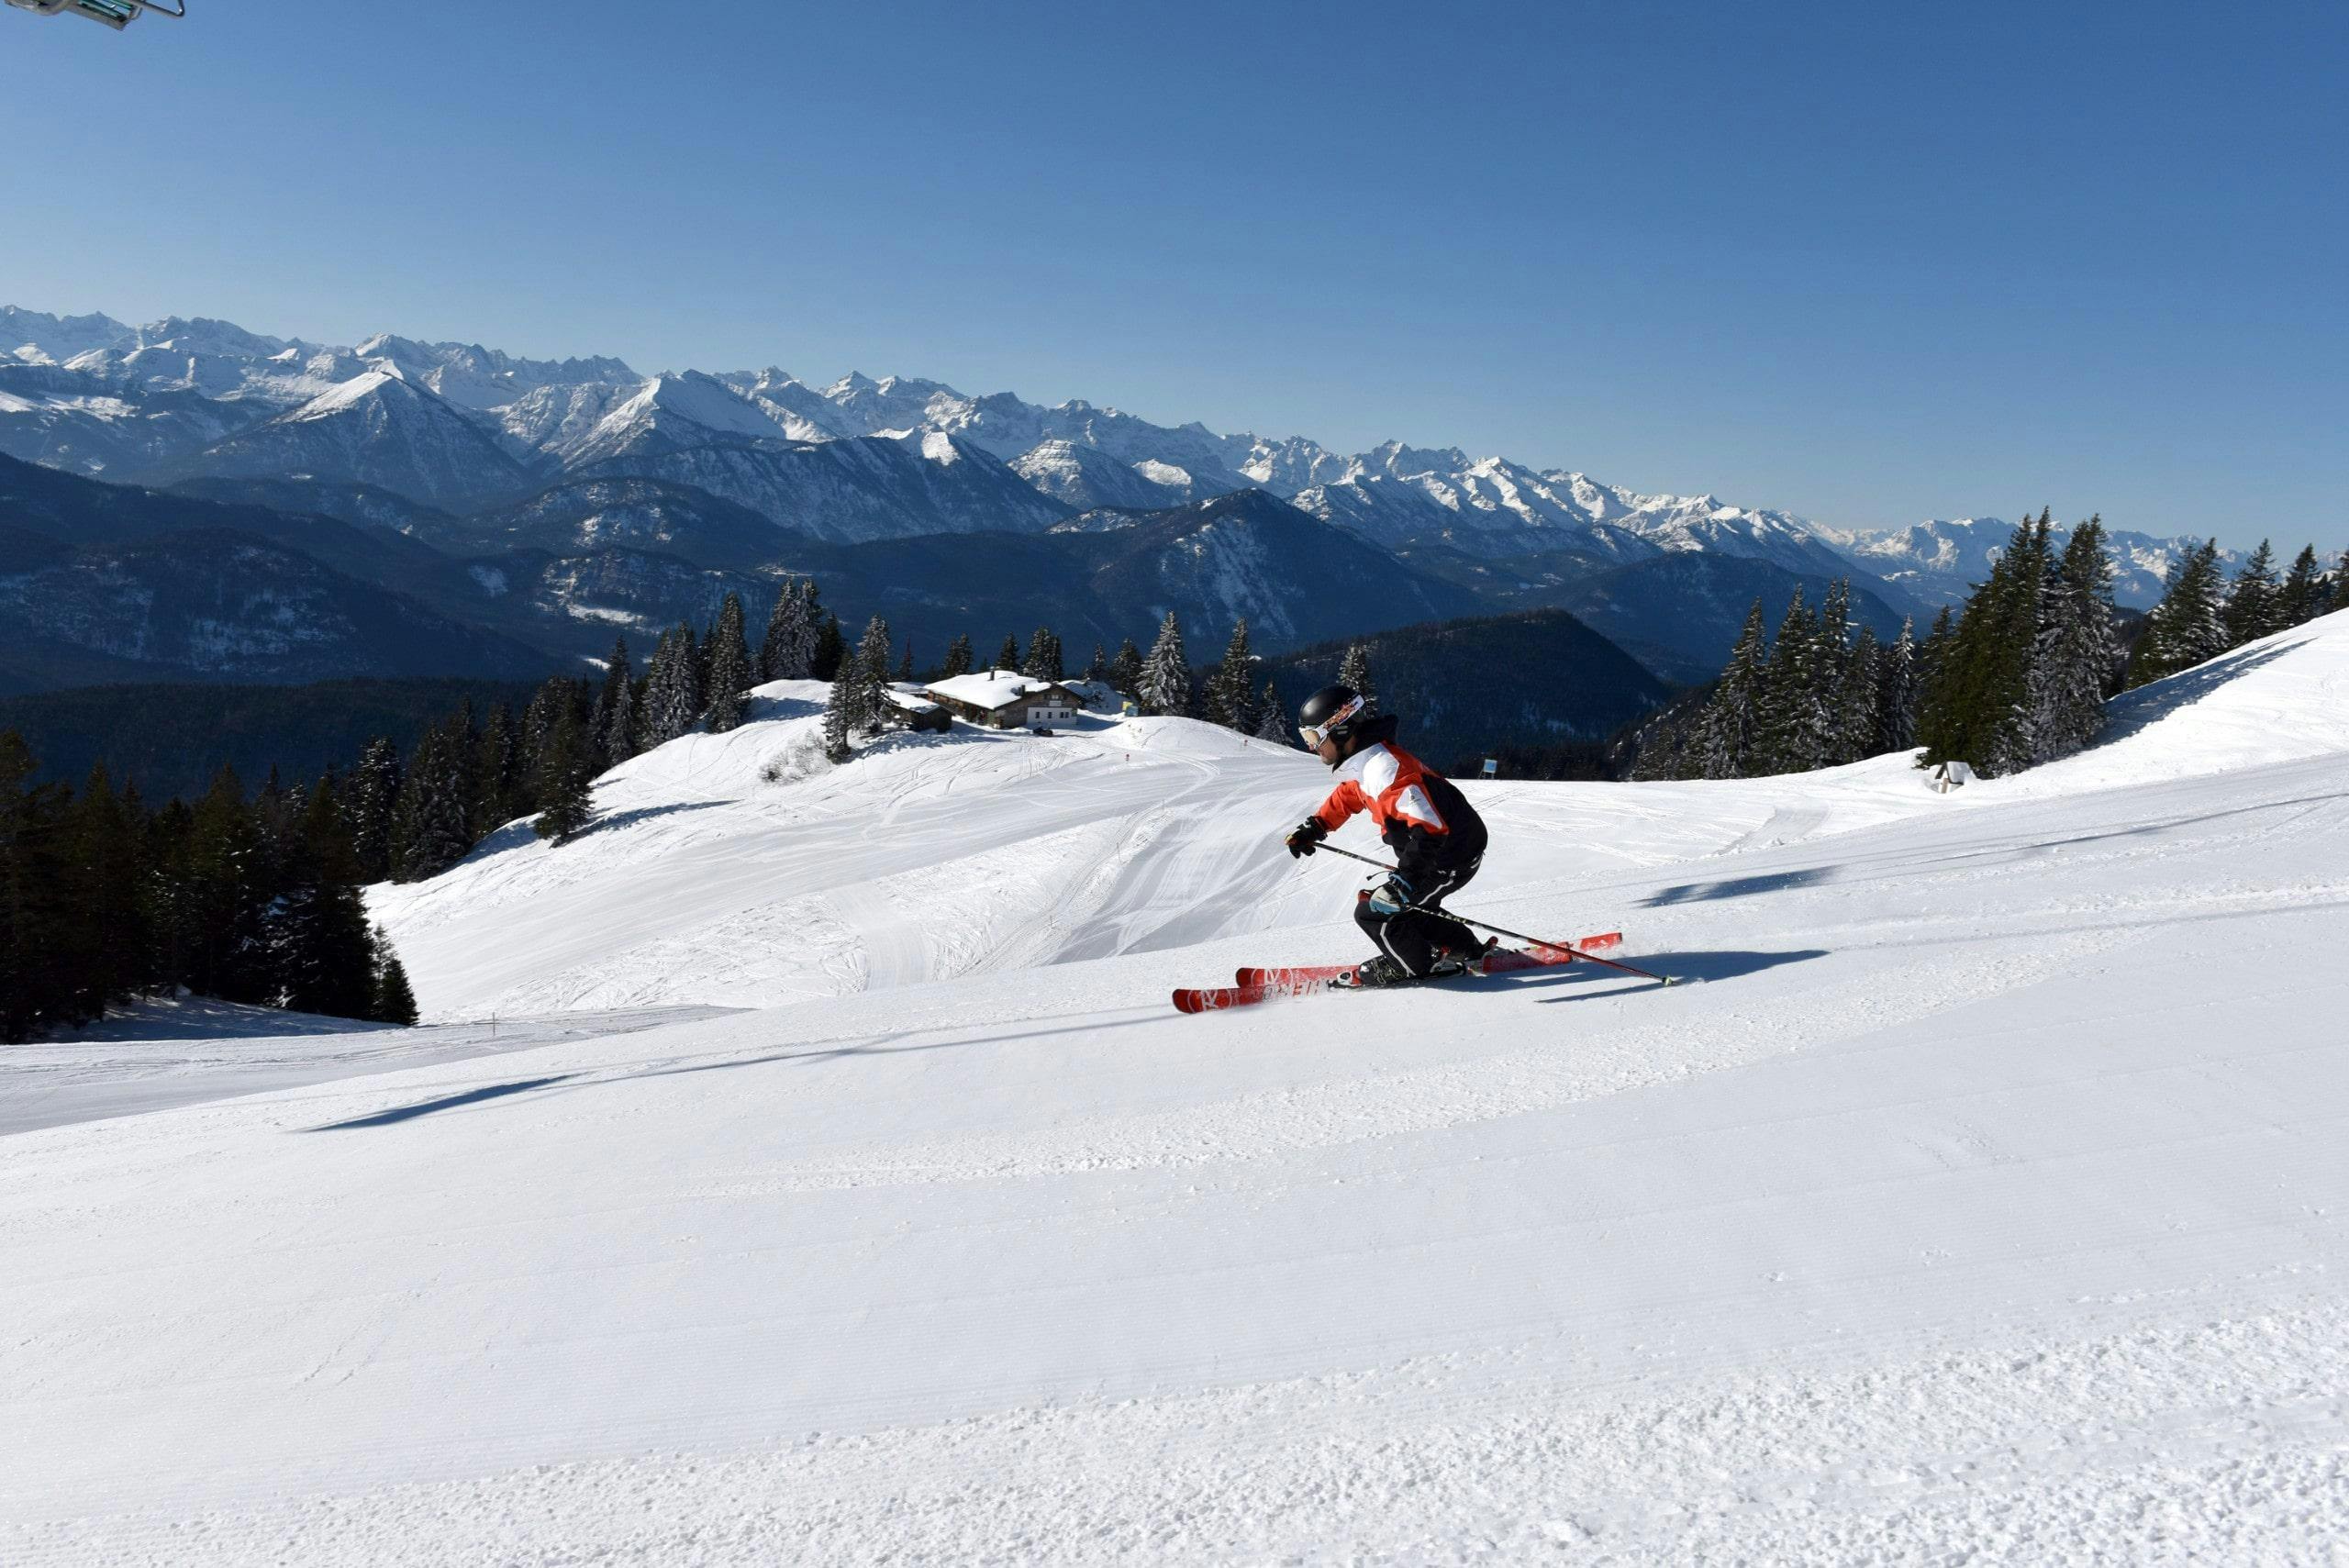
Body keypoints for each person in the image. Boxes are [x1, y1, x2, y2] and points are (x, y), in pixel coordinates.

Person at [1284, 684, 1488, 987]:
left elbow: (1429, 827)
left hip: (1449, 855)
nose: (1312, 747)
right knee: (1410, 909)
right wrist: (1317, 825)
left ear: (1340, 729)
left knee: (1375, 913)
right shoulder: (1366, 763)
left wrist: (1405, 883)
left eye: (1314, 737)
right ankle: (1463, 949)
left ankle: (1413, 967)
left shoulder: (1384, 769)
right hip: (1444, 851)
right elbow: (1351, 795)